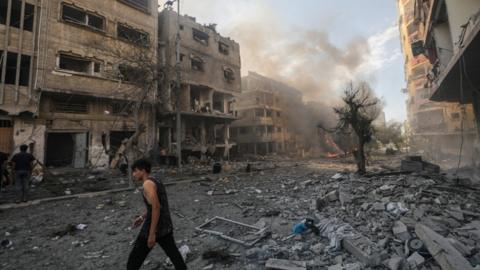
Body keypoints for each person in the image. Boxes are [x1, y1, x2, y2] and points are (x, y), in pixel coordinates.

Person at [127, 159, 187, 270]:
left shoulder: (147, 184)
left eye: (135, 171)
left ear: (143, 171)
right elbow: (155, 205)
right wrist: (142, 217)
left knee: (133, 261)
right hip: (165, 226)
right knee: (175, 256)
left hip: (154, 227)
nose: (133, 174)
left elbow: (156, 207)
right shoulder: (156, 180)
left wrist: (151, 234)